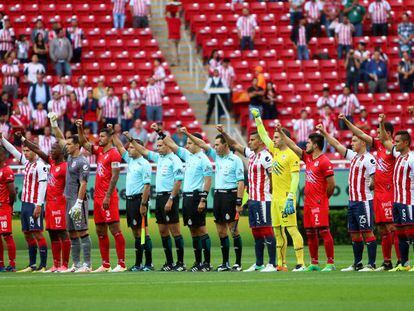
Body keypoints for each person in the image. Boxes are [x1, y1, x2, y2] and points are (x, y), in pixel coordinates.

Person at [340, 114, 400, 270]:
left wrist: (381, 122)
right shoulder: (379, 146)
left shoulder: (393, 150)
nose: (377, 135)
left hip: (390, 192)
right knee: (382, 229)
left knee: (392, 228)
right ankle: (387, 262)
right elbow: (360, 134)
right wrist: (347, 121)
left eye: (380, 132)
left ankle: (401, 261)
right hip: (378, 194)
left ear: (388, 133)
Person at [181, 127, 245, 272]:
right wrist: (187, 134)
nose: (214, 147)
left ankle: (238, 263)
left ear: (225, 145)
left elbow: (241, 182)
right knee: (221, 231)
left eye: (217, 145)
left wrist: (239, 202)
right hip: (218, 196)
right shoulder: (216, 157)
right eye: (214, 145)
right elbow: (202, 144)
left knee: (233, 230)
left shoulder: (236, 160)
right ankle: (225, 262)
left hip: (230, 195)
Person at [317, 124, 378, 271]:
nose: (352, 143)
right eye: (352, 140)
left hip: (363, 201)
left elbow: (374, 181)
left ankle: (371, 264)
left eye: (355, 140)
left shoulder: (369, 159)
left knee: (367, 231)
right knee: (355, 234)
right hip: (352, 202)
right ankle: (357, 263)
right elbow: (337, 144)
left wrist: (371, 185)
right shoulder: (354, 157)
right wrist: (325, 133)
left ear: (363, 142)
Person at [123, 129, 185, 272]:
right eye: (157, 146)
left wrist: (171, 199)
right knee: (163, 231)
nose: (158, 148)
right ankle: (169, 262)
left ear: (168, 146)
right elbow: (143, 150)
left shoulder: (175, 159)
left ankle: (180, 262)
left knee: (175, 231)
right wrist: (131, 139)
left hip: (170, 196)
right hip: (159, 197)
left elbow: (178, 182)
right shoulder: (159, 158)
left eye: (160, 146)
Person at [217, 124, 277, 272]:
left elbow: (273, 175)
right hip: (253, 199)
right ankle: (259, 263)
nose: (249, 142)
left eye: (252, 140)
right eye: (249, 139)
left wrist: (271, 191)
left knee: (266, 229)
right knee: (256, 231)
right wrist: (224, 133)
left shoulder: (266, 156)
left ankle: (272, 264)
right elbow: (234, 144)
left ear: (261, 142)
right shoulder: (251, 154)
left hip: (264, 199)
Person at [251, 109, 305, 272]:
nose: (272, 140)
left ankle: (301, 263)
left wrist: (290, 197)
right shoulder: (274, 151)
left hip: (286, 198)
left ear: (283, 138)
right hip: (274, 199)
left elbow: (296, 178)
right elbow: (263, 134)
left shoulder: (292, 155)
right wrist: (258, 118)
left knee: (292, 229)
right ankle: (281, 264)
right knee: (277, 231)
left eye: (276, 137)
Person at [277, 125, 336, 271]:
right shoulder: (308, 158)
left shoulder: (324, 161)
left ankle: (330, 263)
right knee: (310, 232)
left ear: (315, 145)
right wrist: (280, 132)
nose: (306, 145)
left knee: (324, 231)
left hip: (319, 202)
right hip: (308, 203)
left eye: (308, 143)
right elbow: (292, 145)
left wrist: (323, 198)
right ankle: (314, 263)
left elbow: (332, 185)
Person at [160, 124, 214, 272]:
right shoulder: (187, 155)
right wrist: (159, 131)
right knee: (192, 229)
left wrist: (203, 199)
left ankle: (207, 263)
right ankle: (198, 262)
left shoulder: (204, 159)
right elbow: (171, 143)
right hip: (187, 198)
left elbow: (208, 180)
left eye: (190, 142)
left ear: (197, 143)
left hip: (197, 197)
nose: (187, 145)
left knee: (202, 229)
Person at [75, 120, 126, 272]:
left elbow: (115, 177)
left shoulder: (115, 154)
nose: (99, 139)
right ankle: (105, 264)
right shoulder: (99, 151)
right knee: (100, 230)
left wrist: (108, 196)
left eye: (102, 136)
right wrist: (79, 127)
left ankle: (121, 264)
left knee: (115, 229)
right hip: (97, 198)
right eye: (99, 136)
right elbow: (84, 143)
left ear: (110, 138)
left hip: (107, 197)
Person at [18, 134, 70, 273]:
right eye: (51, 149)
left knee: (63, 233)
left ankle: (64, 264)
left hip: (60, 203)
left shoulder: (65, 167)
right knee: (52, 234)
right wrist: (24, 140)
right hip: (49, 204)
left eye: (54, 149)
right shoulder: (51, 162)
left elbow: (71, 185)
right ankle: (56, 265)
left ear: (61, 152)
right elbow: (37, 149)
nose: (51, 151)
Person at [49, 116, 92, 273]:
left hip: (77, 200)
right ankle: (76, 264)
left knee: (82, 231)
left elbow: (84, 184)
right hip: (68, 199)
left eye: (69, 144)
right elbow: (60, 137)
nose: (66, 146)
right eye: (66, 144)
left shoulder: (83, 162)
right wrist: (54, 124)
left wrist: (79, 203)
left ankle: (87, 264)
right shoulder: (68, 157)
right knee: (72, 233)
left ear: (76, 146)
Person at [0, 133, 48, 272]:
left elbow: (43, 186)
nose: (25, 153)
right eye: (24, 151)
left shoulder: (40, 165)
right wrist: (2, 139)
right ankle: (32, 264)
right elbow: (13, 150)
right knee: (27, 233)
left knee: (37, 233)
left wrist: (39, 205)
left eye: (28, 151)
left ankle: (43, 265)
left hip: (34, 204)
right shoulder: (27, 163)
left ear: (35, 151)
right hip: (25, 204)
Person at [111, 125, 153, 272]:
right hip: (130, 200)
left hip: (139, 200)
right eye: (129, 148)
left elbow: (147, 186)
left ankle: (148, 263)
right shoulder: (131, 160)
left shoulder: (145, 164)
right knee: (136, 231)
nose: (129, 149)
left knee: (143, 231)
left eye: (132, 148)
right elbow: (118, 145)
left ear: (140, 149)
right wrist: (112, 133)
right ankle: (138, 263)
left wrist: (143, 203)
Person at [378, 115, 414, 272]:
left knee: (411, 233)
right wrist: (380, 123)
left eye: (398, 141)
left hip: (409, 201)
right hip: (397, 201)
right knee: (400, 233)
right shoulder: (398, 155)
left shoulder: (412, 158)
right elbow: (385, 140)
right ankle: (404, 264)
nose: (395, 144)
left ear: (406, 143)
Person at [0, 146, 17, 272]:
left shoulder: (7, 170)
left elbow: (12, 192)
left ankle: (12, 263)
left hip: (4, 207)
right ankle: (1, 264)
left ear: (2, 156)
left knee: (7, 235)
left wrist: (9, 206)